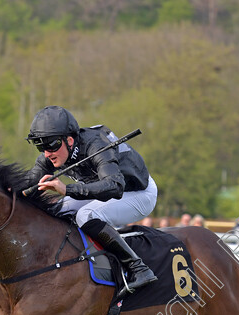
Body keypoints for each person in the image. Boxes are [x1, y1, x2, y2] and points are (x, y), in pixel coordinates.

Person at [25, 105, 157, 293]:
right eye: (41, 146)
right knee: (54, 211)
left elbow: (115, 186)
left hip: (137, 193)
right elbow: (27, 185)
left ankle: (138, 268)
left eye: (51, 145)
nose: (47, 153)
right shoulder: (52, 154)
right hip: (104, 192)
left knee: (85, 215)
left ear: (69, 140)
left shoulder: (96, 144)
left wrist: (67, 189)